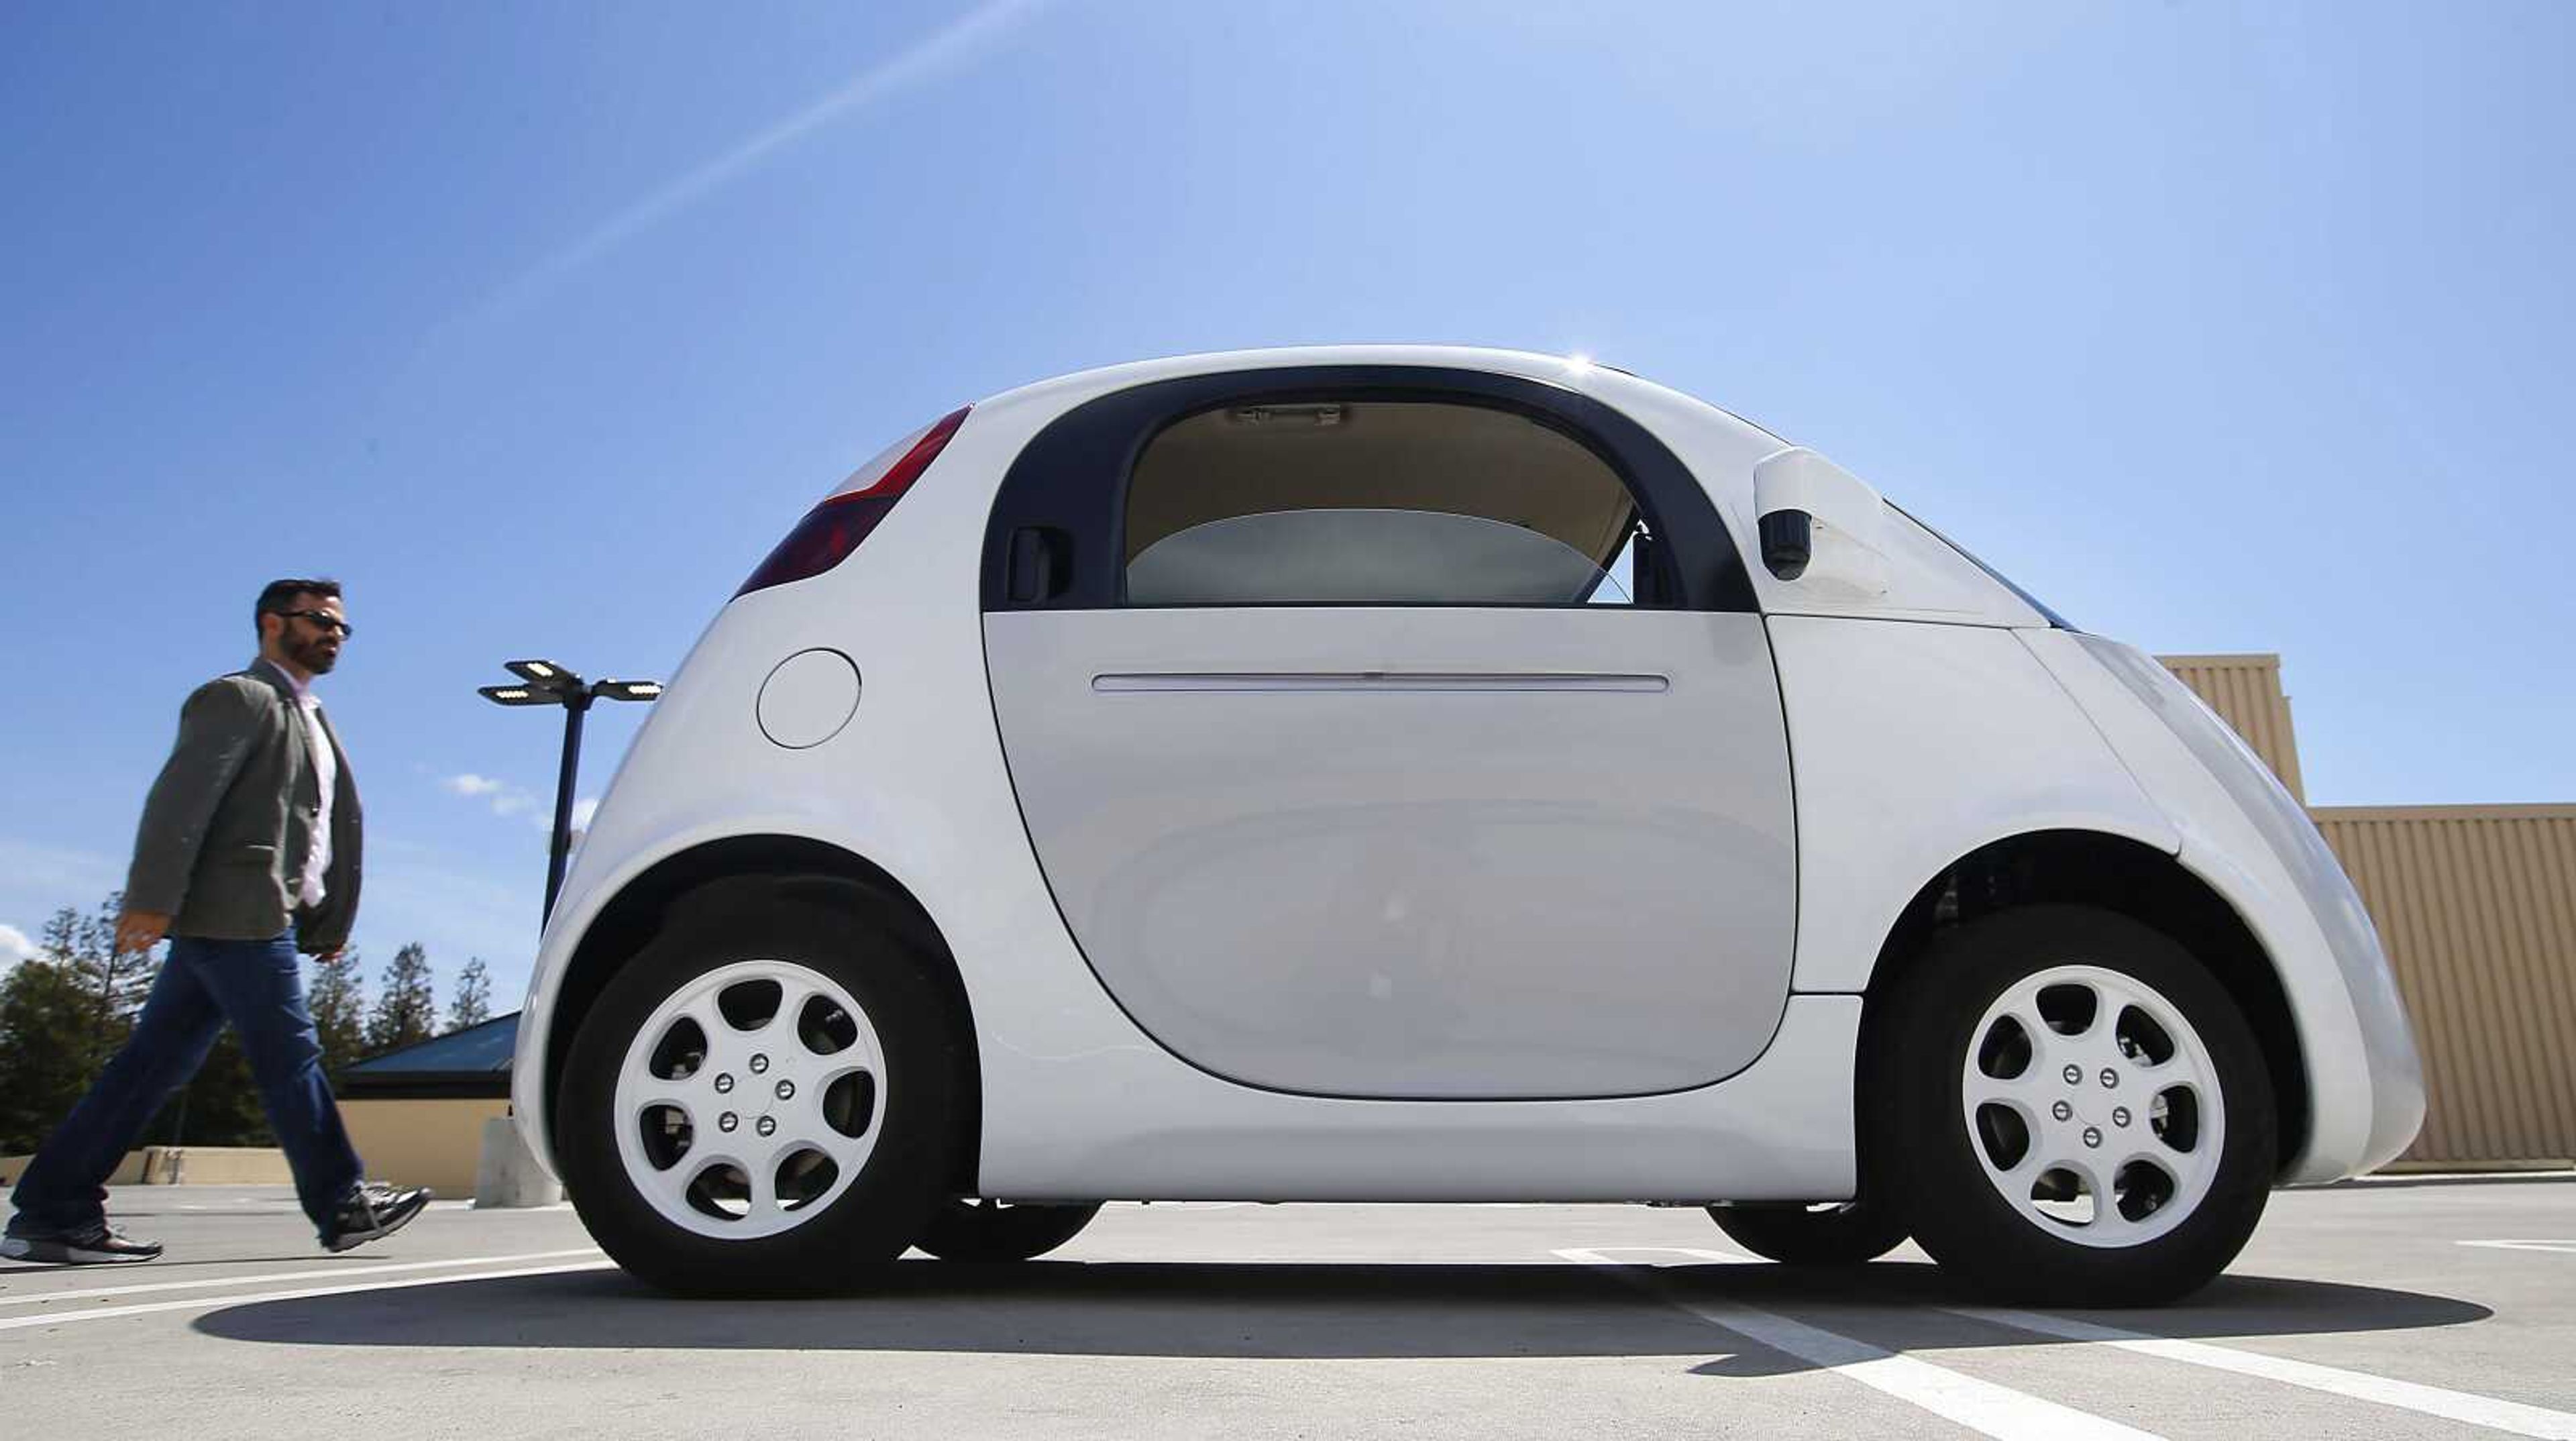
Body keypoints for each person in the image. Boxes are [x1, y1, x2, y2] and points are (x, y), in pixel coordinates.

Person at [3, 579, 431, 1264]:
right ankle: (343, 1203)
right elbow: (182, 798)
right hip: (239, 911)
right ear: (272, 623)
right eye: (320, 621)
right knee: (290, 1057)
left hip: (261, 913)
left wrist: (322, 916)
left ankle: (53, 1210)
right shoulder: (239, 697)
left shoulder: (309, 716)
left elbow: (309, 831)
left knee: (152, 1066)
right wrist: (151, 896)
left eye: (342, 628)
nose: (333, 635)